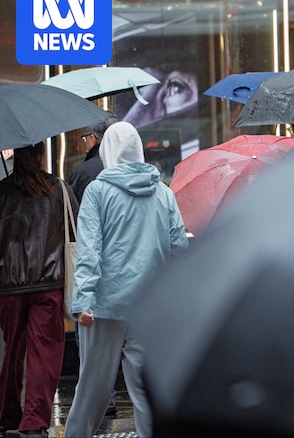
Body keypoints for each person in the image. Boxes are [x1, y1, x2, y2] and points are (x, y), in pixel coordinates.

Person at [64, 122, 189, 438]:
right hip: (151, 305)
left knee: (92, 386)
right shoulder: (163, 192)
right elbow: (178, 248)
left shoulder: (98, 192)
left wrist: (83, 300)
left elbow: (89, 249)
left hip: (106, 305)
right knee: (146, 390)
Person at [0, 142, 77, 438]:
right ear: (42, 157)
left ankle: (6, 414)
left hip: (9, 285)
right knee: (44, 353)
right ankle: (34, 420)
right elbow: (74, 231)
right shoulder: (58, 189)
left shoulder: (3, 193)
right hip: (48, 283)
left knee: (10, 352)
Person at [67, 114, 120, 418]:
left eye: (85, 136)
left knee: (92, 351)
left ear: (97, 138)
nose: (83, 141)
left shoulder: (86, 176)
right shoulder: (152, 181)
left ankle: (104, 401)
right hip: (136, 284)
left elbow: (83, 238)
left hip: (99, 279)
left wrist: (81, 297)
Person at [69, 115, 118, 206]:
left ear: (92, 138)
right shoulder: (130, 166)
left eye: (84, 138)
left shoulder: (82, 173)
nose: (85, 143)